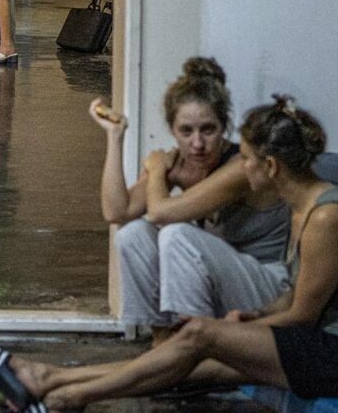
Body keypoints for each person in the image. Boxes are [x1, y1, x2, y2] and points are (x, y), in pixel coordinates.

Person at [0, 96, 338, 409]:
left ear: (270, 166)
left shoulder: (327, 217)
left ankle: (67, 398)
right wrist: (253, 317)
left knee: (199, 337)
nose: (242, 166)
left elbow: (304, 315)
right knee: (200, 361)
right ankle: (49, 379)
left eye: (247, 159)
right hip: (320, 344)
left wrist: (240, 329)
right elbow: (296, 293)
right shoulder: (301, 206)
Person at [94, 58, 290, 342]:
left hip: (266, 289)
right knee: (132, 234)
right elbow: (116, 212)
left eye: (208, 130)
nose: (197, 144)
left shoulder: (240, 167)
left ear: (224, 126)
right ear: (172, 130)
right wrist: (115, 137)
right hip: (215, 287)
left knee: (176, 234)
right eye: (186, 132)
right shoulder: (180, 165)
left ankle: (195, 344)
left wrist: (157, 171)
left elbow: (160, 213)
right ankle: (162, 339)